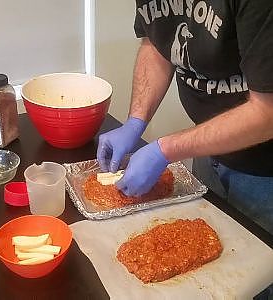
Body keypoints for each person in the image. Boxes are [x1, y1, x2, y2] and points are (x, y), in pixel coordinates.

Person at [97, 0, 273, 235]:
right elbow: (156, 44)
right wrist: (135, 120)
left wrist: (166, 149)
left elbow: (267, 113)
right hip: (207, 149)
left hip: (265, 171)